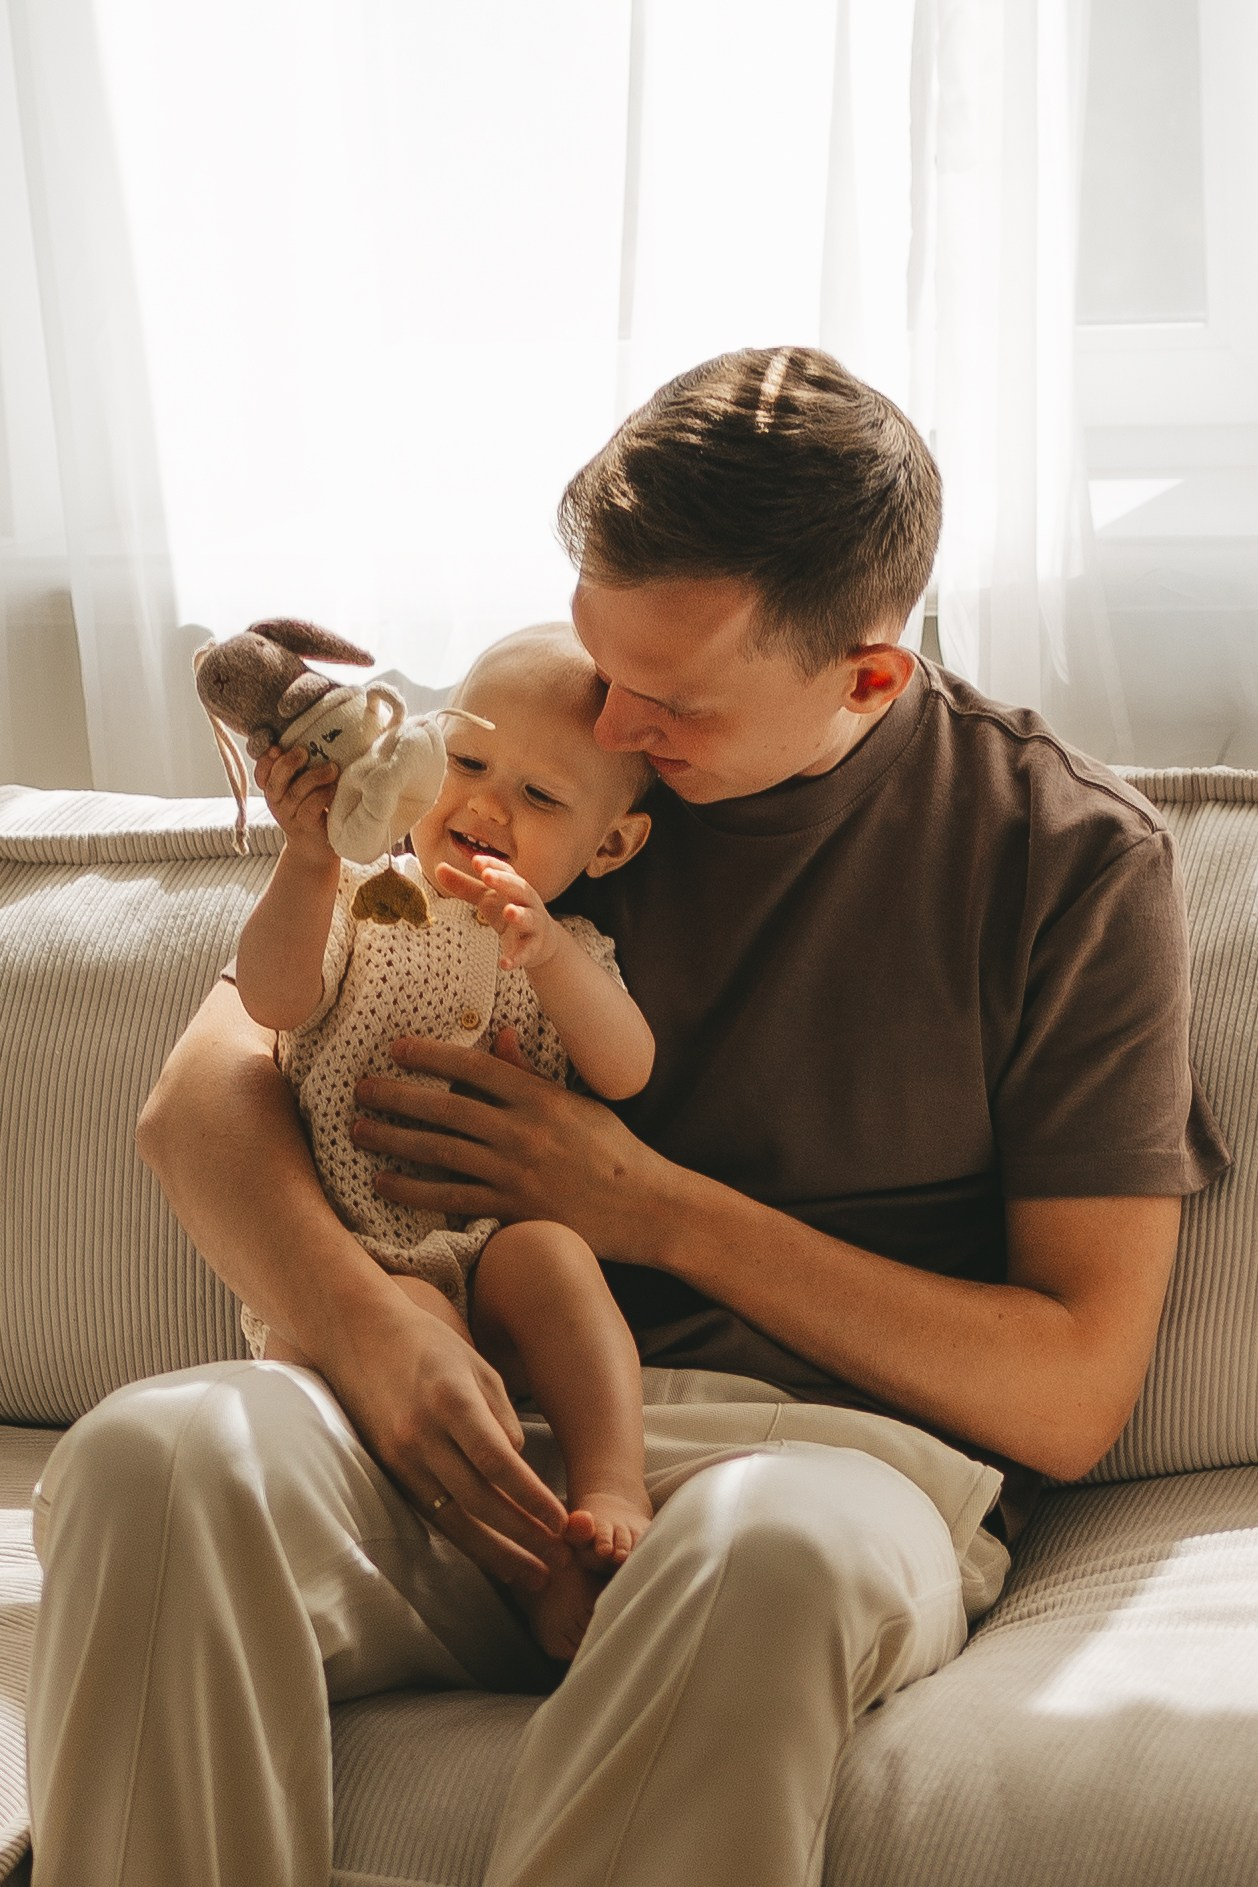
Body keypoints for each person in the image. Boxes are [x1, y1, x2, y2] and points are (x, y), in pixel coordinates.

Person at [26, 346, 1228, 1887]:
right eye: (603, 653)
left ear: (864, 672)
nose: (609, 715)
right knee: (157, 1453)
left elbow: (1070, 1387)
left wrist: (645, 1204)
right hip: (453, 1423)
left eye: (667, 701)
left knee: (758, 1554)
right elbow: (203, 1100)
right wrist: (367, 1330)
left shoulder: (1059, 855)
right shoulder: (536, 753)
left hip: (820, 1467)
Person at [234, 623, 657, 1660]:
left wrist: (551, 955)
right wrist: (304, 862)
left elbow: (627, 1068)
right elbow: (273, 998)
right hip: (367, 1258)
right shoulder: (366, 902)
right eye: (465, 762)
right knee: (420, 1327)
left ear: (608, 847)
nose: (481, 806)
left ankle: (611, 1478)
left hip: (496, 1241)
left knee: (554, 1257)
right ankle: (521, 1571)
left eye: (542, 798)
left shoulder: (571, 947)